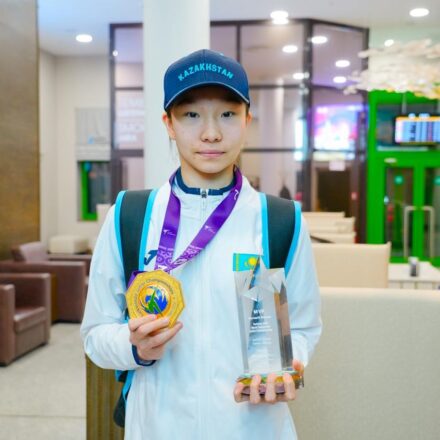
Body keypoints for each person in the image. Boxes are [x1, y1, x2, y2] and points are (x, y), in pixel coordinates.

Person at [81, 49, 321, 440]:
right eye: (191, 115)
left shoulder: (280, 220)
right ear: (169, 124)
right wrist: (134, 346)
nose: (211, 133)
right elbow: (95, 334)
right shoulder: (130, 215)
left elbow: (304, 327)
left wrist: (287, 366)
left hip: (253, 427)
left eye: (227, 114)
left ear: (247, 120)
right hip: (158, 427)